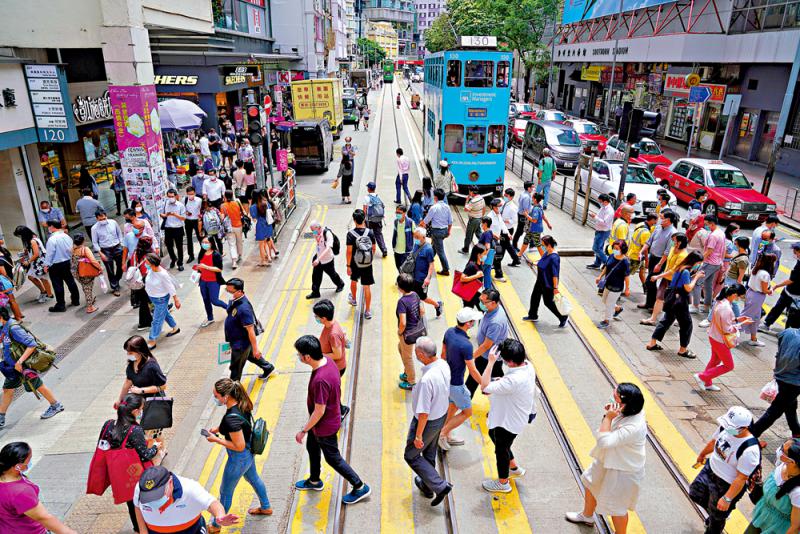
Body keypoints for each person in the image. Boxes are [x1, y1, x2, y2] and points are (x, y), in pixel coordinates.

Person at [294, 335, 372, 504]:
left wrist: (304, 429)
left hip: (324, 426)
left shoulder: (320, 380)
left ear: (307, 357)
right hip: (325, 422)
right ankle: (314, 481)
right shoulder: (328, 361)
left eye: (299, 354)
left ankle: (359, 486)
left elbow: (319, 411)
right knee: (312, 447)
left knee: (333, 458)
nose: (298, 357)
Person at [566, 383, 647, 533]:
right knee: (591, 483)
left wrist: (608, 418)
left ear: (624, 405)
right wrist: (609, 416)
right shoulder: (627, 411)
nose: (611, 398)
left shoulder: (634, 427)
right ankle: (587, 516)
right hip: (608, 459)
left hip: (623, 470)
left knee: (617, 508)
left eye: (615, 397)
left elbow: (603, 441)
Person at [205, 378, 272, 532]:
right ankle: (266, 506)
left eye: (216, 396)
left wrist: (216, 440)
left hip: (239, 458)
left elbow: (238, 445)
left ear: (226, 396)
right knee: (253, 478)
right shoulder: (242, 403)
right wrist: (218, 429)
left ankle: (215, 526)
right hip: (249, 454)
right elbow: (239, 426)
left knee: (225, 492)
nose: (215, 399)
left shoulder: (231, 419)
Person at [690, 406, 761, 534]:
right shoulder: (726, 428)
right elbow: (713, 442)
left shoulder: (750, 450)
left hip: (725, 484)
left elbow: (741, 478)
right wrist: (702, 454)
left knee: (717, 517)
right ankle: (716, 514)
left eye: (731, 427)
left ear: (744, 428)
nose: (727, 428)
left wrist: (727, 498)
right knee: (695, 493)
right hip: (710, 470)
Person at [98, 394, 163, 532]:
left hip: (119, 472)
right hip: (136, 472)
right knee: (144, 499)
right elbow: (145, 455)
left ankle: (137, 527)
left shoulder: (109, 424)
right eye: (141, 409)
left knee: (130, 500)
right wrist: (156, 447)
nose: (142, 412)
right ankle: (147, 526)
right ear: (134, 412)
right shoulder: (135, 430)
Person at [479, 339, 537, 493]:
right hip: (516, 415)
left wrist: (490, 362)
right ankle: (514, 467)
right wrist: (501, 380)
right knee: (495, 436)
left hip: (508, 422)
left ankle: (503, 482)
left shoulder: (512, 380)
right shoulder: (528, 366)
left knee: (501, 449)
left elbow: (484, 388)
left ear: (510, 362)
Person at [404, 336, 453, 505]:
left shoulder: (426, 380)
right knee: (429, 452)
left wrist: (418, 436)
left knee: (411, 455)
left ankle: (439, 486)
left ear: (421, 354)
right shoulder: (443, 365)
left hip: (427, 422)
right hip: (441, 416)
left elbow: (423, 413)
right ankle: (427, 486)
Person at [0, 307, 64, 429]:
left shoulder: (14, 328)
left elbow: (32, 344)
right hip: (12, 366)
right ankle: (1, 417)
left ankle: (56, 405)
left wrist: (20, 361)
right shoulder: (3, 327)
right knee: (7, 389)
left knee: (38, 385)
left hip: (23, 366)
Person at [133, 465, 239, 534]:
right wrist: (143, 530)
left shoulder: (190, 488)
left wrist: (220, 515)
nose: (153, 501)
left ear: (170, 483)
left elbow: (212, 503)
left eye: (157, 496)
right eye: (149, 498)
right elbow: (137, 507)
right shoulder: (141, 489)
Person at [0, 442, 77, 534]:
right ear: (17, 466)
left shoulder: (8, 476)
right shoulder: (20, 492)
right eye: (29, 460)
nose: (30, 462)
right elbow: (44, 517)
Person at [645, 251, 705, 359]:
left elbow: (678, 281)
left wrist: (693, 275)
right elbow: (688, 288)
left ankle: (652, 343)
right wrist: (696, 278)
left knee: (666, 321)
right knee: (687, 325)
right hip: (680, 301)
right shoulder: (686, 271)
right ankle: (683, 350)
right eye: (699, 263)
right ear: (694, 261)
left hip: (671, 298)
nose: (699, 265)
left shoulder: (680, 268)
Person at [438, 307, 482, 451]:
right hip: (456, 383)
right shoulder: (466, 345)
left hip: (447, 379)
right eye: (473, 321)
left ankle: (447, 434)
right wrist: (484, 384)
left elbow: (443, 354)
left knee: (453, 407)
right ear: (468, 323)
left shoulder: (449, 332)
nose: (474, 323)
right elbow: (472, 370)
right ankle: (442, 434)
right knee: (467, 412)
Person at [694, 284, 750, 391]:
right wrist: (739, 325)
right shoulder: (726, 308)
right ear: (734, 295)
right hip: (720, 340)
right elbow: (727, 329)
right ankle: (702, 376)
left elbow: (724, 320)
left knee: (714, 361)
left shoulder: (721, 302)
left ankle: (707, 383)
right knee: (729, 365)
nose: (739, 299)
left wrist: (738, 319)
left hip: (714, 336)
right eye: (739, 297)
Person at [750, 328, 800, 439]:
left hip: (780, 375)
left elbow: (781, 352)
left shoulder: (788, 332)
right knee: (774, 411)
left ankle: (796, 432)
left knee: (790, 406)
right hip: (793, 383)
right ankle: (751, 434)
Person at [224, 278, 274, 381]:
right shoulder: (234, 300)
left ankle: (233, 390)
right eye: (227, 290)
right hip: (238, 340)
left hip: (240, 344)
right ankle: (268, 367)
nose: (228, 293)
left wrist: (256, 349)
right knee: (250, 355)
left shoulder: (244, 309)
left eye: (230, 291)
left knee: (235, 368)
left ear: (239, 291)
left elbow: (250, 331)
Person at [747, 438, 800, 533]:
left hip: (777, 529)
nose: (779, 451)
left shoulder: (797, 492)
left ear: (792, 462)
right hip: (762, 515)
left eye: (783, 451)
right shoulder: (781, 465)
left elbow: (795, 527)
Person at [466, 289, 509, 397]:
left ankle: (464, 403)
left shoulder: (495, 322)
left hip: (488, 357)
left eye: (483, 302)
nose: (480, 304)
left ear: (493, 303)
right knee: (493, 382)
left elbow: (486, 345)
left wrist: (470, 358)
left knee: (473, 381)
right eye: (480, 300)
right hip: (487, 355)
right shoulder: (492, 309)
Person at [640, 232, 689, 326]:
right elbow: (666, 259)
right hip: (666, 278)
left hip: (675, 281)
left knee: (674, 302)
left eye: (674, 240)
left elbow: (673, 270)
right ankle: (653, 319)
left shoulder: (683, 255)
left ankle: (680, 319)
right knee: (659, 297)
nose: (672, 242)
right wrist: (659, 265)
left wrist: (658, 276)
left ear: (679, 242)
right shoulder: (672, 248)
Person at [313, 300, 350, 417]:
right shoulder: (331, 324)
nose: (315, 318)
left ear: (324, 318)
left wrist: (319, 355)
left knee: (331, 392)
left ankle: (340, 411)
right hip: (332, 366)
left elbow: (337, 355)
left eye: (317, 316)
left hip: (336, 368)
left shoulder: (333, 334)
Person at [523, 235, 569, 327]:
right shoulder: (546, 253)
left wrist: (555, 288)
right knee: (535, 297)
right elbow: (542, 263)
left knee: (548, 302)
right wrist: (533, 263)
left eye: (543, 245)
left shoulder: (554, 258)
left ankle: (563, 317)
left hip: (548, 284)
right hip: (540, 280)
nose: (541, 247)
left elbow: (555, 274)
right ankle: (533, 315)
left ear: (548, 245)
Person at [639, 210, 678, 310]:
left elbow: (667, 251)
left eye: (662, 217)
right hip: (653, 257)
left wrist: (660, 264)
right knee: (651, 281)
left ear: (668, 220)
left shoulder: (673, 233)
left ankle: (654, 304)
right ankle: (649, 303)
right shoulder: (658, 227)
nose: (660, 219)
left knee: (650, 280)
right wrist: (641, 252)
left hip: (662, 260)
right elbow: (649, 241)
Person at [118, 335, 167, 413]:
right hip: (138, 406)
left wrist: (141, 390)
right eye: (127, 352)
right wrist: (120, 401)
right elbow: (127, 382)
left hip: (152, 405)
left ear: (140, 351)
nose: (128, 354)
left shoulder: (151, 366)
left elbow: (163, 386)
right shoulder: (131, 364)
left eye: (130, 352)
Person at [142, 254, 180, 350]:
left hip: (161, 299)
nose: (144, 263)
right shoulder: (151, 270)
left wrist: (176, 300)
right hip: (153, 298)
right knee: (164, 313)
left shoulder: (163, 274)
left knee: (156, 320)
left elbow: (170, 287)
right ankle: (175, 327)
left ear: (152, 263)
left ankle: (152, 340)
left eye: (146, 261)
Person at [690, 214, 726, 314]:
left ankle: (695, 306)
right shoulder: (720, 233)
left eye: (706, 224)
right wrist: (721, 261)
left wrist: (700, 262)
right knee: (707, 284)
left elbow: (709, 250)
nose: (705, 226)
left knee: (697, 283)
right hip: (716, 263)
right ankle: (707, 306)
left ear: (712, 223)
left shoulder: (714, 235)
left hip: (709, 263)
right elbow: (723, 249)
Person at [396, 273, 426, 390]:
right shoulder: (415, 294)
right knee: (401, 349)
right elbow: (422, 311)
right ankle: (407, 372)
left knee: (407, 357)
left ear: (400, 287)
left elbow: (402, 322)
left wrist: (400, 332)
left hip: (407, 334)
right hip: (415, 331)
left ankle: (411, 381)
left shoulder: (402, 302)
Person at [762, 242, 800, 332]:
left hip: (793, 293)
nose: (794, 255)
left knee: (781, 309)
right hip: (791, 291)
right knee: (781, 309)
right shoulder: (799, 261)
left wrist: (777, 286)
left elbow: (791, 280)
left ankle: (769, 324)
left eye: (795, 252)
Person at [44, 220, 80, 313]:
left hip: (56, 265)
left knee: (58, 285)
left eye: (49, 226)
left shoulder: (52, 239)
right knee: (71, 281)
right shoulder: (66, 236)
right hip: (67, 262)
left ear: (52, 227)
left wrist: (46, 265)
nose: (48, 228)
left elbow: (49, 254)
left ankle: (61, 305)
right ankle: (76, 300)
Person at [346, 209, 377, 319]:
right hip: (367, 264)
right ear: (364, 219)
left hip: (355, 263)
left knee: (354, 281)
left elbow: (349, 251)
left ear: (354, 220)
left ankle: (354, 299)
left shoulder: (350, 234)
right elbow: (373, 248)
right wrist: (368, 258)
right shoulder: (370, 232)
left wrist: (348, 266)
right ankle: (368, 311)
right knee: (366, 287)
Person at [406, 227, 443, 317]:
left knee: (423, 297)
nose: (416, 239)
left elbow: (431, 264)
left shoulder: (428, 249)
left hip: (421, 279)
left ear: (423, 237)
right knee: (413, 295)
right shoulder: (416, 245)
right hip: (413, 276)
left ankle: (437, 305)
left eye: (417, 237)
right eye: (415, 236)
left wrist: (428, 278)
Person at [742, 253, 777, 347]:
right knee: (745, 317)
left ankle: (753, 339)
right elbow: (765, 290)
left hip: (750, 293)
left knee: (756, 319)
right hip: (757, 297)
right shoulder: (765, 274)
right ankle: (728, 334)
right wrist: (772, 290)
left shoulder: (755, 269)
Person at [13, 226, 53, 304]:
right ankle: (43, 291)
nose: (20, 237)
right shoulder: (31, 239)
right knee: (31, 277)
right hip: (35, 263)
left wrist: (28, 261)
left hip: (39, 262)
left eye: (20, 235)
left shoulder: (32, 241)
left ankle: (49, 294)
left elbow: (36, 254)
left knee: (43, 279)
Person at [596, 239, 631, 329]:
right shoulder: (612, 256)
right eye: (614, 248)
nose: (615, 250)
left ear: (622, 249)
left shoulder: (625, 262)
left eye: (617, 248)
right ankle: (618, 308)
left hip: (617, 286)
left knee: (609, 304)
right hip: (608, 283)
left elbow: (627, 276)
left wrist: (627, 288)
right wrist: (600, 276)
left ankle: (606, 321)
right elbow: (607, 267)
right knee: (604, 300)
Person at [195, 237, 228, 328]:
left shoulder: (216, 254)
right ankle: (210, 318)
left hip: (213, 281)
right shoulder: (201, 253)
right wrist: (198, 269)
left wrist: (206, 267)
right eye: (203, 242)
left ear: (211, 243)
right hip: (203, 281)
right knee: (206, 300)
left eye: (206, 242)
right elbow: (200, 266)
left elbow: (219, 269)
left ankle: (229, 308)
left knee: (215, 301)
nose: (204, 244)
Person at [124, 236, 154, 331]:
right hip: (144, 281)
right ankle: (144, 323)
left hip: (136, 281)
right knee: (145, 302)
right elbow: (146, 271)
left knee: (144, 301)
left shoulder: (135, 253)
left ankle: (147, 320)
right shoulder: (147, 256)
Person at [91, 209, 124, 296]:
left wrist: (121, 244)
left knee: (121, 266)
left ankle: (116, 279)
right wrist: (100, 253)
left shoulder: (113, 222)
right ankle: (115, 287)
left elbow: (119, 233)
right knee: (110, 270)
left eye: (104, 218)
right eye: (100, 219)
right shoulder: (94, 228)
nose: (102, 220)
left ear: (106, 216)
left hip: (117, 247)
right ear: (97, 218)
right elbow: (94, 242)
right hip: (105, 250)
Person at [308, 222, 345, 299]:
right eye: (312, 231)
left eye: (314, 230)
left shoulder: (327, 234)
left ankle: (340, 284)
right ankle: (315, 292)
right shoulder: (316, 231)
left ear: (318, 227)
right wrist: (316, 237)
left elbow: (328, 249)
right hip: (319, 257)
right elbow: (317, 240)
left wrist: (318, 259)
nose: (313, 232)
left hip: (327, 259)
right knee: (315, 276)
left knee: (332, 274)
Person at [420, 189, 453, 276]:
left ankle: (446, 269)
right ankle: (427, 262)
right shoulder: (447, 207)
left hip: (436, 232)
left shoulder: (434, 207)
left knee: (440, 251)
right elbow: (450, 221)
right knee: (434, 247)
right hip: (444, 230)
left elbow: (426, 220)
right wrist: (448, 232)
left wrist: (420, 225)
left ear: (435, 197)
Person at [70, 233, 100, 314]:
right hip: (85, 272)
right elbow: (93, 261)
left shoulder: (73, 249)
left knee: (85, 287)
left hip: (76, 273)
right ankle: (90, 307)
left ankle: (90, 299)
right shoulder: (85, 249)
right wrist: (99, 268)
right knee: (88, 288)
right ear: (83, 240)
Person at [159, 188, 186, 271]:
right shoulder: (165, 204)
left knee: (179, 247)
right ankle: (173, 258)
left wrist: (175, 215)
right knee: (169, 246)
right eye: (169, 196)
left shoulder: (180, 205)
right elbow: (161, 214)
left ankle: (180, 263)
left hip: (178, 228)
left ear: (176, 196)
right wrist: (165, 215)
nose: (170, 198)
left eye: (172, 196)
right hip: (168, 228)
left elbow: (183, 218)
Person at [627, 214, 657, 288]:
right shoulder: (646, 232)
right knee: (626, 274)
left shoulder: (640, 224)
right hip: (636, 256)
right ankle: (620, 288)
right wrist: (647, 260)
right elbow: (645, 248)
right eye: (656, 220)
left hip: (633, 251)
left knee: (642, 270)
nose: (657, 222)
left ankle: (645, 287)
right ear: (652, 220)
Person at [588, 194, 614, 270]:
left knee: (596, 248)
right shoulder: (603, 207)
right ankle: (597, 263)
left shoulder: (609, 211)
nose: (599, 203)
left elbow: (605, 222)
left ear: (605, 201)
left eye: (600, 201)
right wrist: (595, 216)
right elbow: (600, 217)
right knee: (600, 248)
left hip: (603, 231)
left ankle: (608, 264)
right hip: (599, 230)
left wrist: (595, 217)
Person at [362, 181, 388, 257]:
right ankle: (384, 249)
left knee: (368, 234)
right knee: (379, 234)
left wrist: (363, 220)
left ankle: (369, 250)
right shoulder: (377, 197)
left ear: (369, 189)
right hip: (379, 219)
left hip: (370, 220)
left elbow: (364, 210)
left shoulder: (366, 198)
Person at [221, 190, 245, 269]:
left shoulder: (223, 205)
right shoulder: (237, 202)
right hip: (238, 225)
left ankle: (234, 262)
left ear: (225, 196)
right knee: (239, 241)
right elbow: (243, 212)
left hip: (229, 227)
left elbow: (222, 217)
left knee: (232, 244)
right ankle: (240, 254)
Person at [250, 193, 276, 267]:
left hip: (260, 226)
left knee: (261, 245)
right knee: (267, 240)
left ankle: (263, 260)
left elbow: (254, 219)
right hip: (268, 225)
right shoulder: (266, 203)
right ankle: (269, 256)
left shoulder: (253, 207)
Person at [499, 188, 521, 267]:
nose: (504, 196)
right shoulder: (505, 203)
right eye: (504, 195)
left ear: (511, 197)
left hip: (507, 229)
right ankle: (516, 259)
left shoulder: (513, 207)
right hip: (503, 228)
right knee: (506, 246)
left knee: (503, 246)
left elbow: (514, 220)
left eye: (506, 195)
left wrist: (505, 221)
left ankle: (497, 262)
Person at [461, 186, 486, 253]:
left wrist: (467, 200)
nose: (469, 192)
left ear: (472, 192)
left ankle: (465, 249)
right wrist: (481, 217)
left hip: (473, 220)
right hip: (479, 218)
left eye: (469, 191)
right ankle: (485, 244)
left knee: (469, 235)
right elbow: (484, 208)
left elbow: (466, 209)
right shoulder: (481, 198)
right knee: (478, 233)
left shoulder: (473, 201)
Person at [392, 204, 415, 270]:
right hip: (397, 250)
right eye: (396, 212)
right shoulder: (396, 222)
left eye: (399, 213)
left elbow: (415, 235)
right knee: (398, 267)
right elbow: (395, 234)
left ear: (404, 213)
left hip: (406, 251)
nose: (397, 214)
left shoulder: (410, 222)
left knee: (405, 269)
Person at [184, 186, 203, 263]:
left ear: (194, 193)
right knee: (189, 238)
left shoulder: (199, 200)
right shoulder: (184, 200)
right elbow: (183, 210)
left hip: (197, 221)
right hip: (188, 221)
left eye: (192, 194)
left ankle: (203, 254)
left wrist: (200, 216)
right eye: (189, 194)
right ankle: (191, 255)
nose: (190, 196)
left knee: (200, 238)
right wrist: (186, 213)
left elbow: (202, 210)